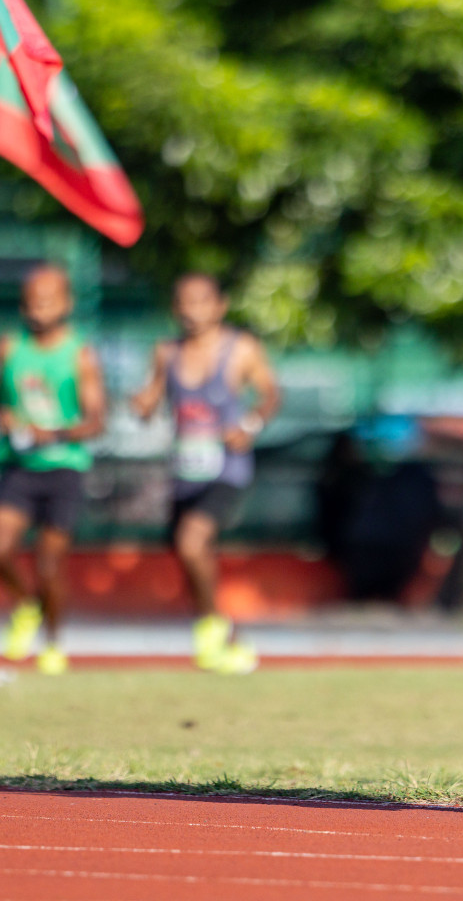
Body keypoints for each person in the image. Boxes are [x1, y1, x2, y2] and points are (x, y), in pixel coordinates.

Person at [131, 274, 280, 674]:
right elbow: (153, 396)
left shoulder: (240, 349)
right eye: (184, 303)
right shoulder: (167, 352)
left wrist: (249, 426)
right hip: (183, 472)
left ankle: (212, 628)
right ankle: (222, 634)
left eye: (201, 302)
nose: (192, 311)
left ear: (219, 306)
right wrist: (142, 404)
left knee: (192, 542)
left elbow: (270, 394)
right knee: (186, 553)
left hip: (226, 470)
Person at [0, 265, 106, 675]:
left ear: (66, 303)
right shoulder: (11, 348)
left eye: (47, 300)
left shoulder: (79, 355)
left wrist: (55, 433)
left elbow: (97, 421)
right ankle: (25, 606)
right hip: (19, 468)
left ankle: (53, 641)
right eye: (30, 301)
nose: (37, 309)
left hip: (64, 470)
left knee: (48, 564)